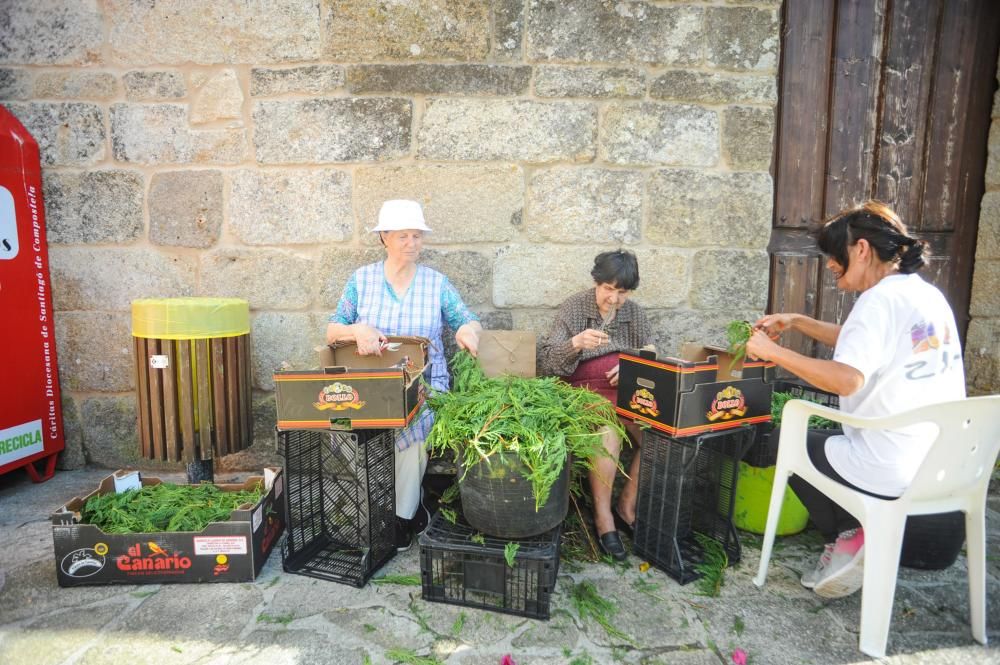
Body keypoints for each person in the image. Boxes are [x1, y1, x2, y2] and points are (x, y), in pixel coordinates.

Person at [746, 201, 966, 599]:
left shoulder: (878, 300)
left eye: (835, 257)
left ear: (861, 249)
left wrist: (772, 352)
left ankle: (850, 535)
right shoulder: (926, 296)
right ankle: (858, 531)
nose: (832, 268)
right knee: (828, 439)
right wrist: (795, 321)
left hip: (890, 465)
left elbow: (846, 379)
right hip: (942, 462)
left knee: (782, 440)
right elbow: (859, 341)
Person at [326, 199, 482, 551]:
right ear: (384, 237)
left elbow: (467, 319)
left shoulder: (436, 283)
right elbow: (332, 331)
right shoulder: (361, 280)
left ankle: (400, 518)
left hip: (425, 385)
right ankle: (392, 507)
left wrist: (468, 332)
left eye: (417, 236)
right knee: (346, 422)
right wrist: (358, 331)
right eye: (403, 236)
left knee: (412, 423)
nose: (412, 243)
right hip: (372, 385)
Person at [538, 249, 654, 561]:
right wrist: (575, 343)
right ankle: (604, 518)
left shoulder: (635, 315)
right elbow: (546, 362)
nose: (614, 299)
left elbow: (653, 353)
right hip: (583, 394)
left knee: (657, 434)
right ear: (596, 283)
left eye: (622, 292)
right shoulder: (575, 308)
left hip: (626, 394)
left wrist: (636, 366)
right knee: (608, 431)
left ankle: (626, 503)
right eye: (608, 289)